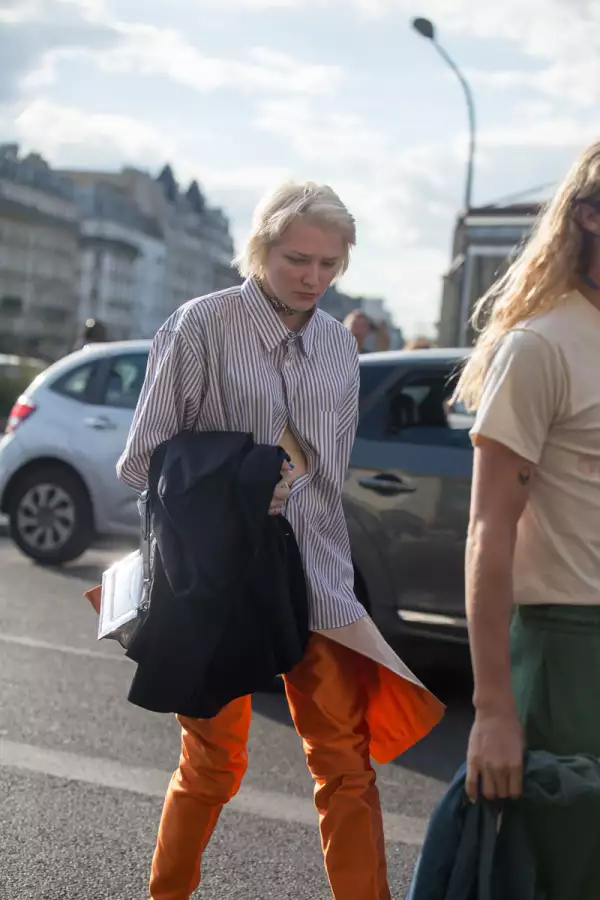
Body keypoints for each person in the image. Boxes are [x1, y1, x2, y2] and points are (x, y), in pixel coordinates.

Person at [117, 180, 443, 900]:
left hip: (317, 577)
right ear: (261, 247)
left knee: (347, 764)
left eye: (330, 265)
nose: (314, 278)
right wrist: (238, 482)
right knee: (210, 763)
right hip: (215, 579)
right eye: (299, 259)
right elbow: (142, 460)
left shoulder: (338, 347)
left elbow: (328, 479)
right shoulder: (198, 325)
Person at [454, 142, 600, 894]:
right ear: (590, 216)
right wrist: (492, 711)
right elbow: (488, 529)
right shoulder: (541, 344)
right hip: (565, 651)